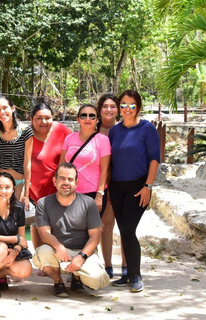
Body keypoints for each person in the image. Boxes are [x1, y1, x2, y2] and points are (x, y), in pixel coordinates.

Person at [108, 89, 160, 293]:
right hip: (117, 187)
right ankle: (128, 274)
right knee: (123, 231)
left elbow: (154, 159)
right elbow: (111, 162)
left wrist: (148, 186)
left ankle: (136, 274)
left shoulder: (147, 128)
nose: (127, 109)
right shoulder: (114, 131)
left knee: (129, 230)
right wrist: (109, 191)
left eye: (131, 105)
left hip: (139, 187)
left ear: (138, 107)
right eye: (123, 105)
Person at [33, 163, 109, 297]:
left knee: (97, 281)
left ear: (76, 182)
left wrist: (81, 257)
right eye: (62, 178)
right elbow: (44, 234)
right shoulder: (43, 203)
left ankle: (77, 278)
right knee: (43, 252)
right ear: (54, 181)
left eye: (70, 179)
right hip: (58, 251)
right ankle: (58, 282)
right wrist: (58, 246)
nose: (66, 182)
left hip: (83, 251)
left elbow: (94, 237)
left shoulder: (89, 203)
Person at [29, 102, 71, 255]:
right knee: (38, 223)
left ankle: (60, 257)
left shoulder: (62, 130)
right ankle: (42, 260)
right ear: (32, 119)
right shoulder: (27, 136)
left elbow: (74, 149)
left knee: (60, 224)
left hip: (59, 188)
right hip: (34, 191)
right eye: (39, 118)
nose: (44, 122)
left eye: (47, 118)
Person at [97, 94, 127, 279]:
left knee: (126, 227)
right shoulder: (93, 130)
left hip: (123, 182)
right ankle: (107, 265)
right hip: (101, 184)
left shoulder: (125, 129)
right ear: (100, 109)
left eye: (112, 106)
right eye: (105, 106)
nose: (109, 109)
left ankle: (126, 265)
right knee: (106, 226)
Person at [60, 104, 111, 213]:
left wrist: (99, 195)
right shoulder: (69, 138)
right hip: (70, 191)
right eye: (83, 116)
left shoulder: (103, 140)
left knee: (91, 229)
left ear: (97, 120)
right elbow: (61, 166)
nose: (88, 119)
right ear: (78, 119)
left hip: (92, 193)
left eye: (92, 116)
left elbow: (104, 170)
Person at [0, 96, 33, 209]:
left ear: (13, 108)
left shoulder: (26, 131)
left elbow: (27, 163)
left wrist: (27, 194)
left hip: (17, 183)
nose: (2, 112)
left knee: (14, 219)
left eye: (5, 108)